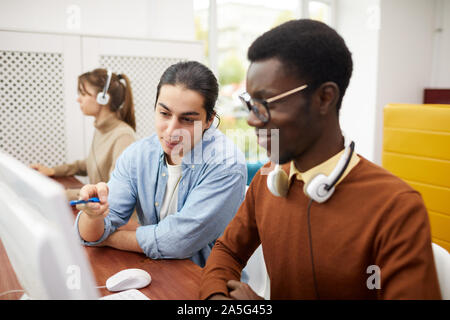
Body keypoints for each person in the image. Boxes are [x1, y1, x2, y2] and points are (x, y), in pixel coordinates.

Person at [199, 19, 441, 299]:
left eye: (266, 104)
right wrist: (216, 298)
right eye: (251, 104)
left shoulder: (396, 208)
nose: (252, 119)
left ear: (325, 98)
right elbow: (226, 251)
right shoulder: (269, 178)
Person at [75, 61, 247, 267]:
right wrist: (93, 215)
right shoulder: (138, 155)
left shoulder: (226, 163)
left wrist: (109, 238)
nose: (171, 130)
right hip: (156, 271)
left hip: (204, 281)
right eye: (164, 114)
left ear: (209, 120)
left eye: (187, 119)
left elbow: (177, 241)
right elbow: (91, 233)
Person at [30, 68, 136, 200]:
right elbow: (89, 164)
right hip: (98, 210)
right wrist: (53, 171)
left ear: (103, 98)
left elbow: (113, 189)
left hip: (113, 216)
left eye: (83, 94)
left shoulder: (123, 136)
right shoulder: (102, 129)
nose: (78, 99)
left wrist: (66, 195)